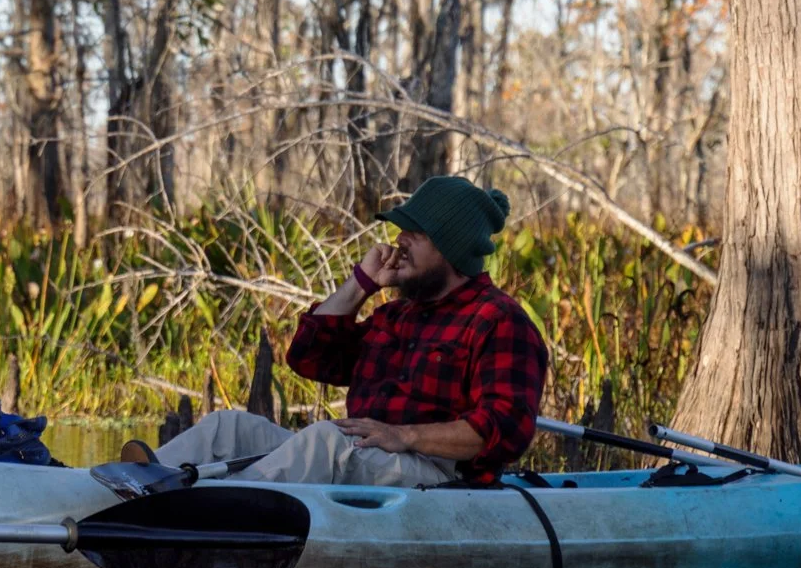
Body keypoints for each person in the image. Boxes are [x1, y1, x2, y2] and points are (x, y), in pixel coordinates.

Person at [147, 175, 548, 486]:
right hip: (361, 457)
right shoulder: (397, 315)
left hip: (440, 478)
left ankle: (212, 509)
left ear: (451, 247)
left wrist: (404, 436)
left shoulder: (499, 321)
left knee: (328, 440)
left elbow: (507, 430)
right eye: (400, 230)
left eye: (415, 233)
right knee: (228, 427)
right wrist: (361, 284)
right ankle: (123, 488)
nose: (399, 241)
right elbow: (308, 358)